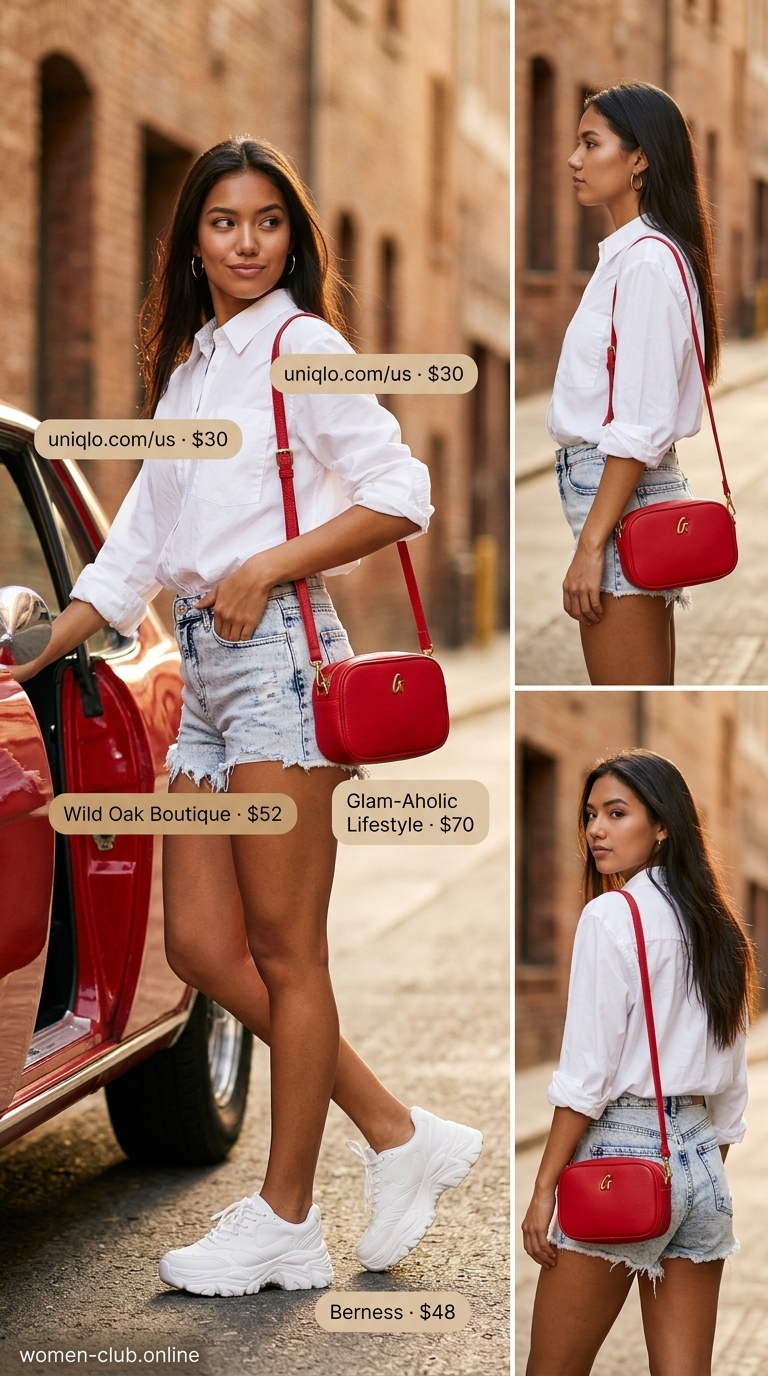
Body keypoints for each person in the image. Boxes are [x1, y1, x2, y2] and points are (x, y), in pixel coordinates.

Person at [12, 136, 482, 1295]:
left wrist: (270, 564)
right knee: (201, 949)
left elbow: (402, 493)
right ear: (192, 242)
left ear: (292, 236)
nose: (246, 241)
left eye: (268, 221)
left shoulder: (300, 346)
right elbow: (135, 545)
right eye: (223, 222)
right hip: (209, 680)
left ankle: (286, 1217)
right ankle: (397, 1130)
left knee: (285, 948)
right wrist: (38, 644)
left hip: (280, 662)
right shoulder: (191, 370)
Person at [522, 749, 757, 1376]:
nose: (596, 830)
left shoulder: (611, 916)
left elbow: (586, 1078)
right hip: (703, 1164)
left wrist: (543, 1189)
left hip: (619, 1154)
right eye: (590, 814)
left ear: (662, 827)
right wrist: (690, 1168)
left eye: (616, 813)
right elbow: (731, 1088)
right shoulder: (722, 930)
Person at [548, 83, 721, 686]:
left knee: (628, 688)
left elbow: (639, 425)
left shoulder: (646, 261)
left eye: (591, 143)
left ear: (639, 158)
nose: (574, 158)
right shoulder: (633, 256)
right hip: (622, 499)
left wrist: (591, 545)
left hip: (622, 502)